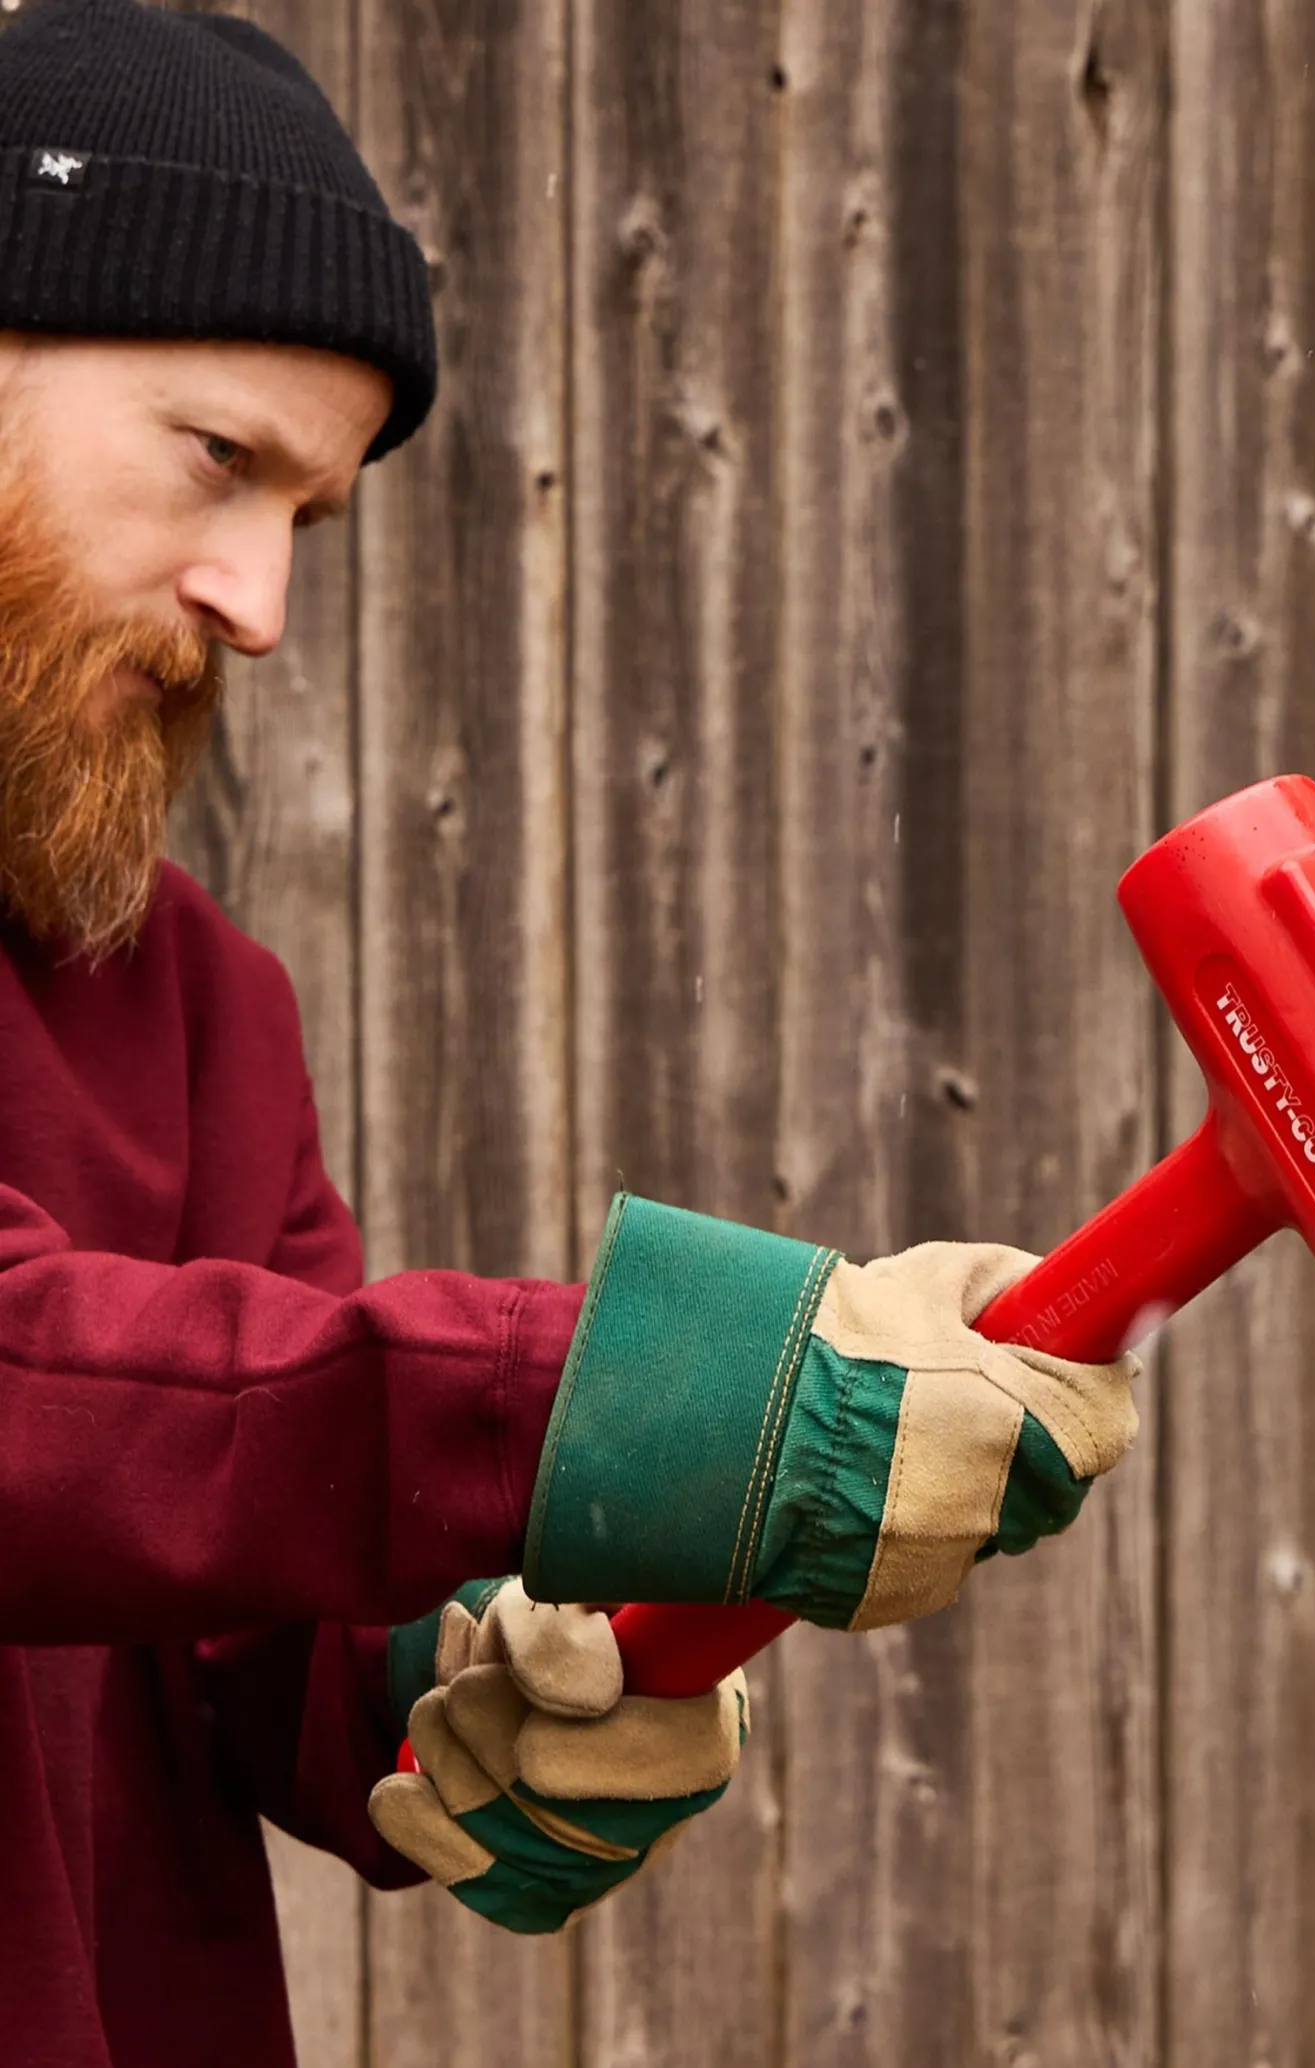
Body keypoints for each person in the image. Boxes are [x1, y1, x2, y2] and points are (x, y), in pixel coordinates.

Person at [0, 3, 1142, 2062]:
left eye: (309, 521)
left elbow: (248, 1600)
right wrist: (633, 1393)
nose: (258, 598)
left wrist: (476, 1678)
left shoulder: (199, 1007)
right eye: (216, 458)